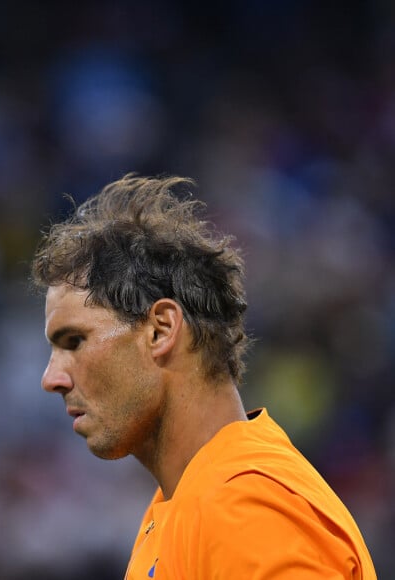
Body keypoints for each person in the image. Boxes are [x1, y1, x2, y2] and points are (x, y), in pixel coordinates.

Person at [30, 174, 376, 579]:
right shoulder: (185, 502)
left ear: (160, 329)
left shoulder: (247, 506)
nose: (51, 378)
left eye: (75, 341)